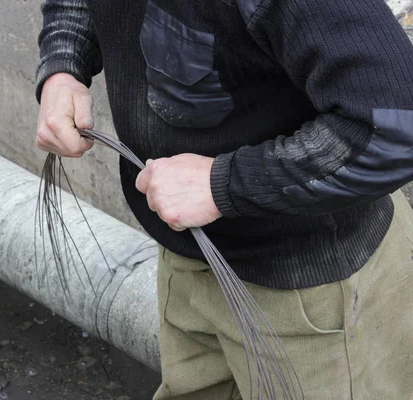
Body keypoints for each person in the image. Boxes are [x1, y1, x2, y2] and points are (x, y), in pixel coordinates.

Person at [34, 0, 413, 398]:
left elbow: (396, 124)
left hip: (307, 296)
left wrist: (224, 185)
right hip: (187, 256)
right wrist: (64, 60)